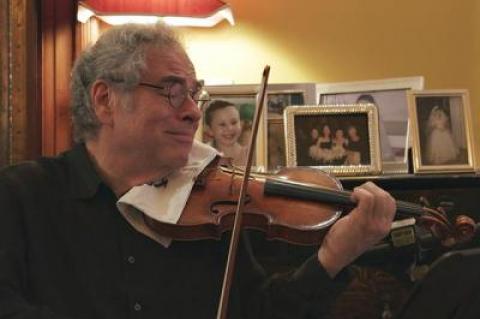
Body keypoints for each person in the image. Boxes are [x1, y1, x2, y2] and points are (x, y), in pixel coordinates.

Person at [0, 23, 396, 319]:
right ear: (105, 101)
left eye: (194, 93)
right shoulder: (21, 197)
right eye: (172, 91)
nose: (192, 110)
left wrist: (333, 257)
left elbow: (259, 311)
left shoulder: (210, 205)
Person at [204, 99, 248, 166]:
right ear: (210, 130)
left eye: (234, 122)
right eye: (222, 124)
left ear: (241, 124)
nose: (230, 128)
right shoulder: (203, 156)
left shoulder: (249, 154)